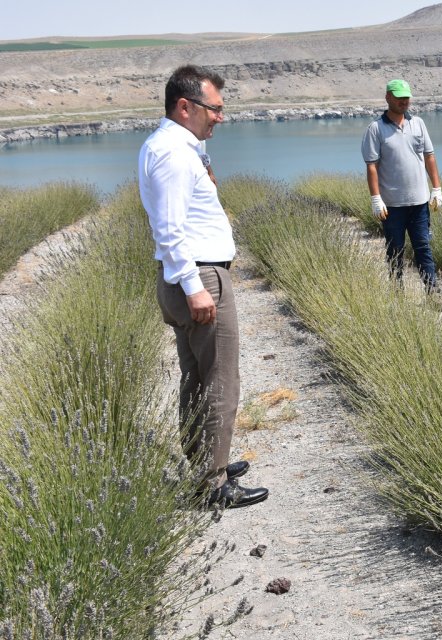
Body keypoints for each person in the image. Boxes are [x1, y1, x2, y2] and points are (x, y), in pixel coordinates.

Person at [139, 65, 268, 510]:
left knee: (196, 377)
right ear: (185, 106)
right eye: (214, 109)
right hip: (198, 276)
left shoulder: (173, 147)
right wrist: (196, 287)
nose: (220, 117)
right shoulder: (174, 154)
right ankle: (214, 485)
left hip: (187, 276)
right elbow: (170, 229)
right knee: (220, 380)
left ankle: (205, 462)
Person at [362, 79, 442, 289]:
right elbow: (372, 166)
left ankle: (432, 292)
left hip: (419, 203)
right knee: (395, 250)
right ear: (388, 97)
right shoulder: (376, 129)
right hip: (392, 206)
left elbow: (429, 156)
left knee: (423, 248)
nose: (403, 101)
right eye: (399, 97)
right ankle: (397, 294)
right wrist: (376, 199)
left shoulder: (418, 123)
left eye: (406, 97)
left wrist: (436, 188)